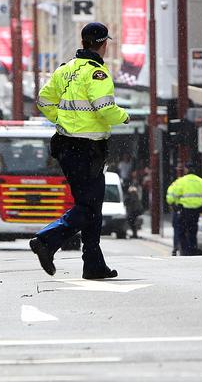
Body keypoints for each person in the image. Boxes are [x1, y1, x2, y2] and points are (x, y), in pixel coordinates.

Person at [30, 22, 129, 279]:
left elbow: (43, 100)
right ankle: (47, 240)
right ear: (103, 44)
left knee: (91, 206)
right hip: (88, 149)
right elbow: (105, 108)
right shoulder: (97, 73)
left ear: (84, 41)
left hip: (65, 145)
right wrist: (124, 116)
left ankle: (93, 264)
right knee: (88, 207)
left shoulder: (66, 69)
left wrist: (62, 120)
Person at [166, 163, 202, 256]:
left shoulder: (181, 181)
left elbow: (172, 194)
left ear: (186, 170)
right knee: (193, 231)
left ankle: (185, 251)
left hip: (184, 211)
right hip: (196, 211)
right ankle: (192, 250)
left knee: (182, 231)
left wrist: (173, 204)